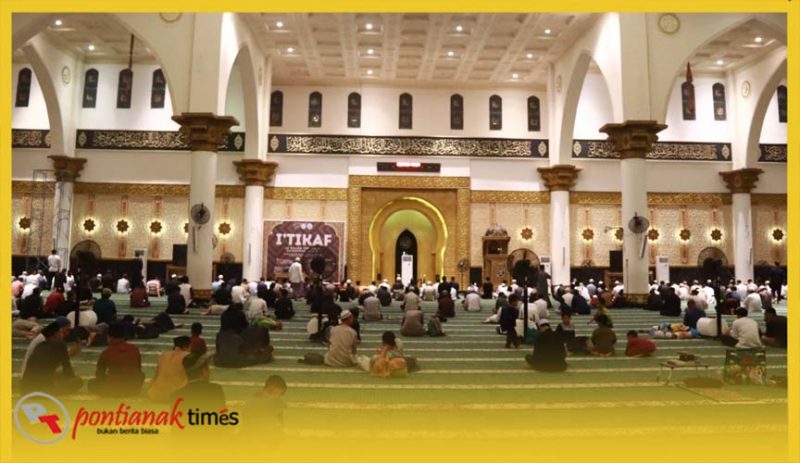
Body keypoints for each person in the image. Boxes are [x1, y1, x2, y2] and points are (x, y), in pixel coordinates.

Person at [20, 321, 83, 394]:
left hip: (26, 389)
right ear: (55, 334)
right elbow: (68, 371)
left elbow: (47, 363)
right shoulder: (60, 344)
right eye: (61, 333)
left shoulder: (40, 344)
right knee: (78, 381)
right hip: (43, 390)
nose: (63, 335)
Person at [88, 323, 144, 397]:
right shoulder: (134, 349)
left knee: (92, 383)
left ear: (109, 337)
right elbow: (138, 369)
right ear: (123, 336)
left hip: (113, 388)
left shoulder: (106, 353)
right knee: (142, 374)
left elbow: (99, 374)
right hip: (133, 388)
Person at [147, 336, 191, 401]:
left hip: (154, 394)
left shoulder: (163, 355)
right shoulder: (188, 356)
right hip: (176, 396)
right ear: (185, 347)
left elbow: (155, 376)